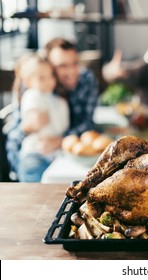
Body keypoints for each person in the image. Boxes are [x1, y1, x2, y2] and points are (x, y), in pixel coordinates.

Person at [6, 38, 99, 181]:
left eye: (75, 64)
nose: (71, 72)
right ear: (49, 66)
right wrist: (27, 128)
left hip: (66, 154)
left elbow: (87, 124)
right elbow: (13, 138)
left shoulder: (86, 80)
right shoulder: (34, 86)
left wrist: (60, 141)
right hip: (35, 156)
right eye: (62, 66)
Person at [18, 55, 69, 182]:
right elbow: (31, 115)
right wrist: (33, 120)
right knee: (33, 178)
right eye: (41, 78)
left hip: (56, 154)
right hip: (36, 152)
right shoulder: (32, 95)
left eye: (51, 76)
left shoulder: (58, 101)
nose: (48, 81)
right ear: (28, 82)